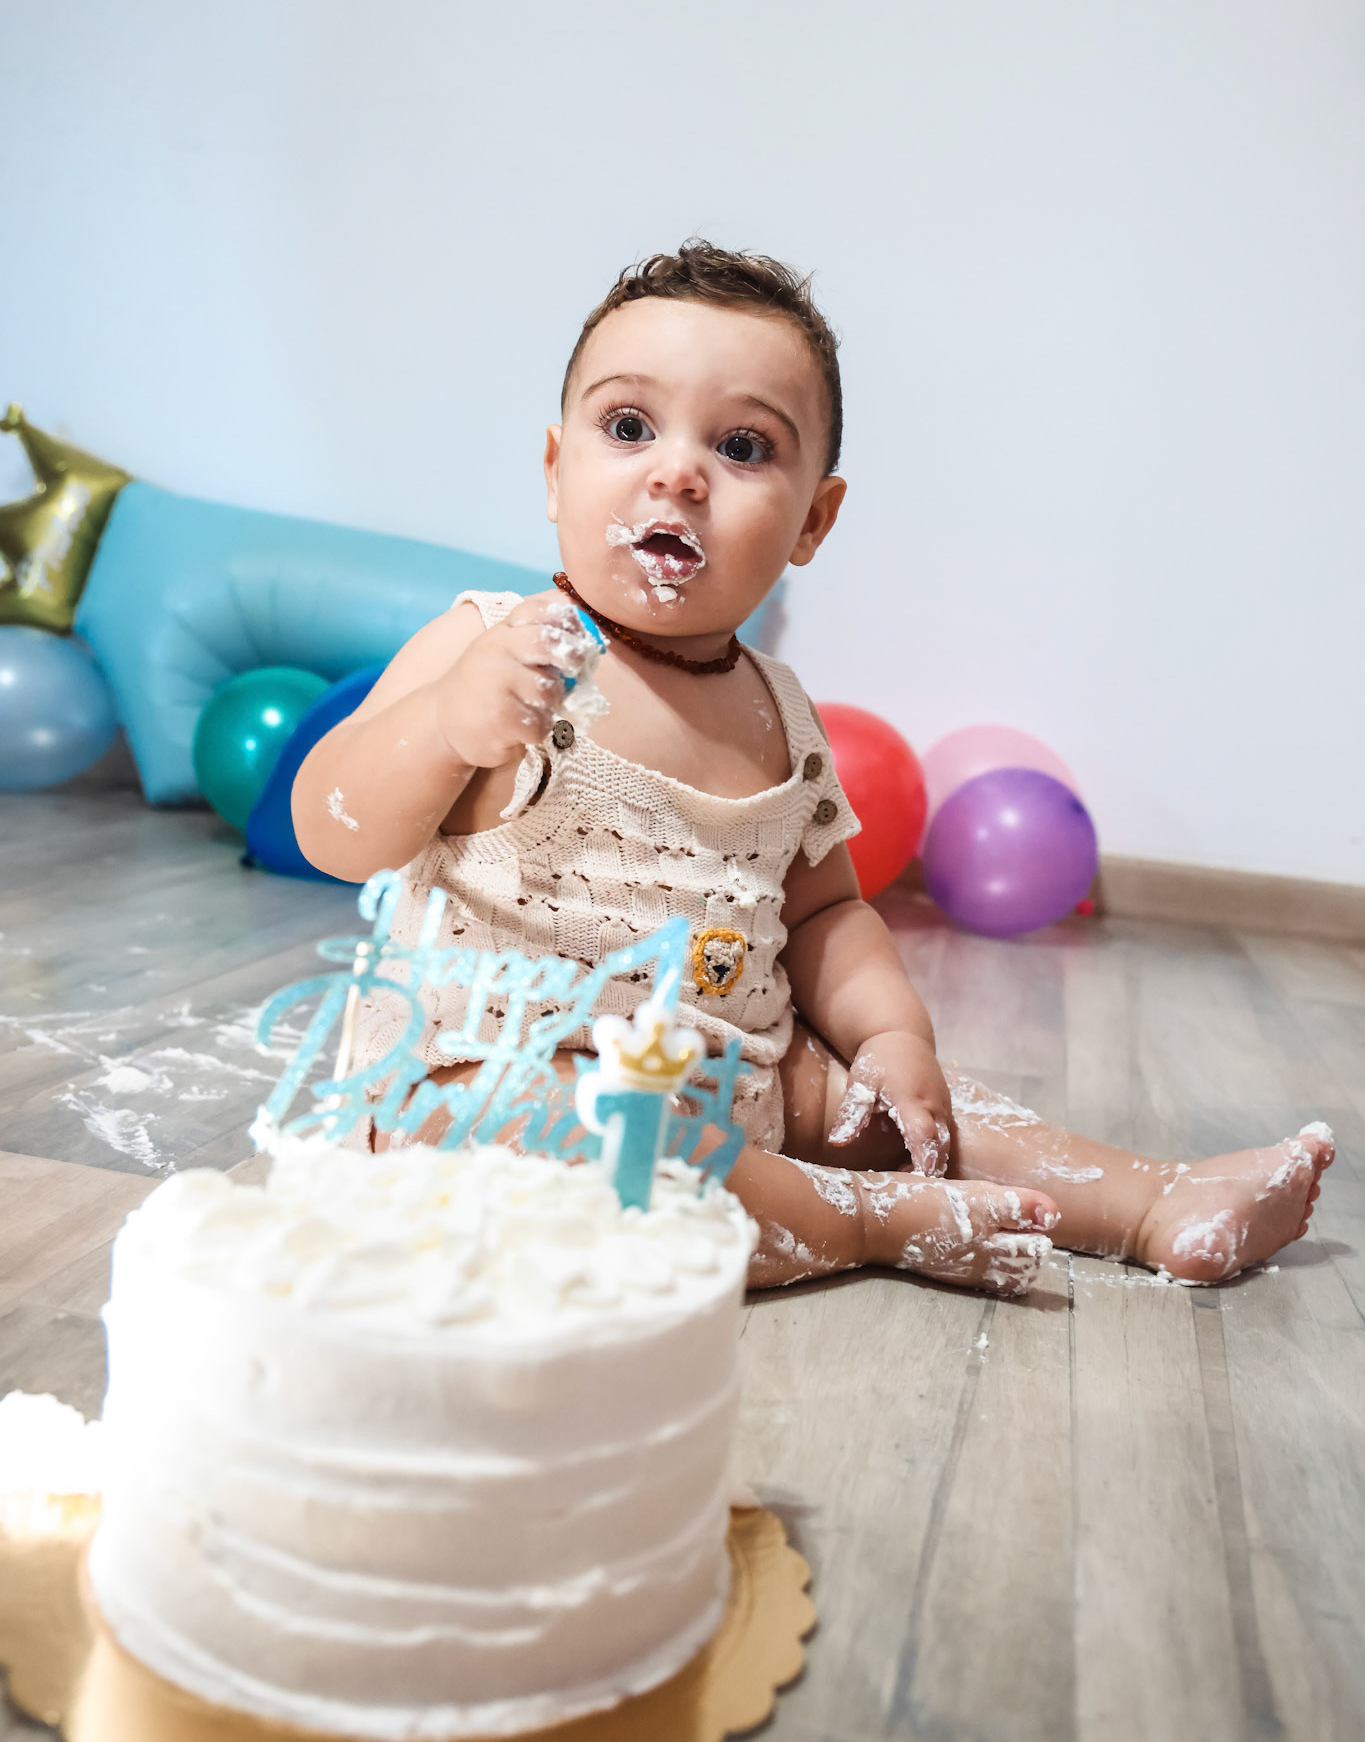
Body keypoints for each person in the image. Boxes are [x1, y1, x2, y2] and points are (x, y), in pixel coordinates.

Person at [293, 242, 1332, 1297]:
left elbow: (827, 914)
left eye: (742, 446)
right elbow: (332, 831)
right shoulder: (488, 649)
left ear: (812, 522)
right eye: (629, 427)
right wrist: (446, 726)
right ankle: (857, 1220)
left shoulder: (779, 714)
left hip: (734, 1072)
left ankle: (1148, 1200)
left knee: (909, 1108)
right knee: (573, 1129)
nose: (677, 472)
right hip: (489, 1082)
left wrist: (889, 1035)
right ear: (555, 471)